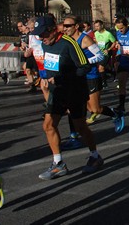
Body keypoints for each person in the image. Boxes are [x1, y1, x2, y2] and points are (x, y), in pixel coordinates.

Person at [31, 15, 104, 179]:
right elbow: (51, 65)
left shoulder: (68, 43)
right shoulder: (45, 44)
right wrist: (45, 77)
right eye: (39, 35)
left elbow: (84, 67)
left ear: (52, 30)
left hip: (75, 91)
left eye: (43, 34)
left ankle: (95, 156)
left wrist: (62, 77)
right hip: (57, 91)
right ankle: (58, 164)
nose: (41, 38)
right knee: (48, 125)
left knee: (80, 127)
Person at [62, 16, 124, 132]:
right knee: (74, 106)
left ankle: (115, 113)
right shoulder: (67, 40)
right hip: (78, 77)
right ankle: (73, 136)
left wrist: (84, 62)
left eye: (68, 26)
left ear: (76, 26)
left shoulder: (85, 40)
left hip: (91, 76)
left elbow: (100, 56)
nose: (65, 28)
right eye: (64, 26)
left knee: (95, 109)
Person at [93, 20, 116, 88]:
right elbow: (97, 41)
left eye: (98, 26)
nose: (96, 28)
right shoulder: (96, 33)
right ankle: (112, 72)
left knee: (101, 67)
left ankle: (104, 83)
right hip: (99, 52)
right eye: (95, 26)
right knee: (101, 68)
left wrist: (108, 49)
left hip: (106, 53)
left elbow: (114, 42)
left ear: (102, 25)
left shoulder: (108, 34)